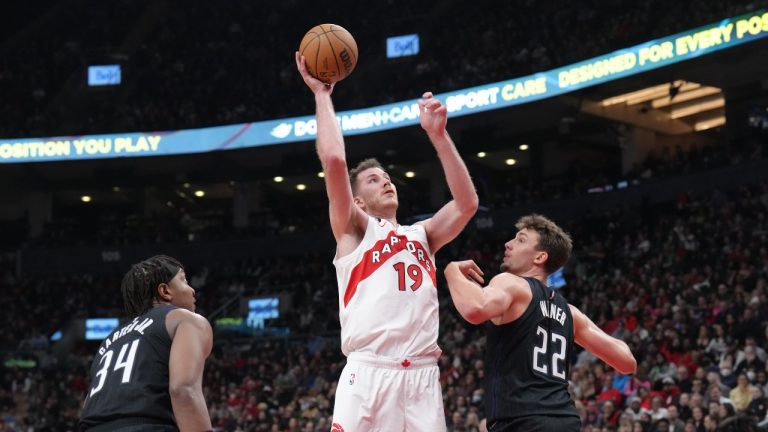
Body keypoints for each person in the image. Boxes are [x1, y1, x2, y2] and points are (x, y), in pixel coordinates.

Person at [295, 52, 478, 431]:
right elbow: (333, 162)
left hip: (423, 378)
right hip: (369, 373)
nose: (387, 181)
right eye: (374, 180)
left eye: (387, 176)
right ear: (358, 199)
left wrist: (439, 138)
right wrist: (322, 95)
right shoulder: (354, 228)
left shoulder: (422, 235)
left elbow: (467, 203)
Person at [444, 214, 637, 432]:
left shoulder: (511, 283)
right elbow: (627, 362)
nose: (508, 244)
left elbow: (474, 309)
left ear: (539, 257)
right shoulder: (570, 313)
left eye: (521, 240)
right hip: (565, 421)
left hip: (522, 421)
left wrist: (451, 271)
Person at [79, 255, 213, 432]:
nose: (192, 290)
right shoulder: (185, 319)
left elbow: (88, 405)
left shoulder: (109, 341)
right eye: (184, 280)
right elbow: (183, 389)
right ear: (165, 291)